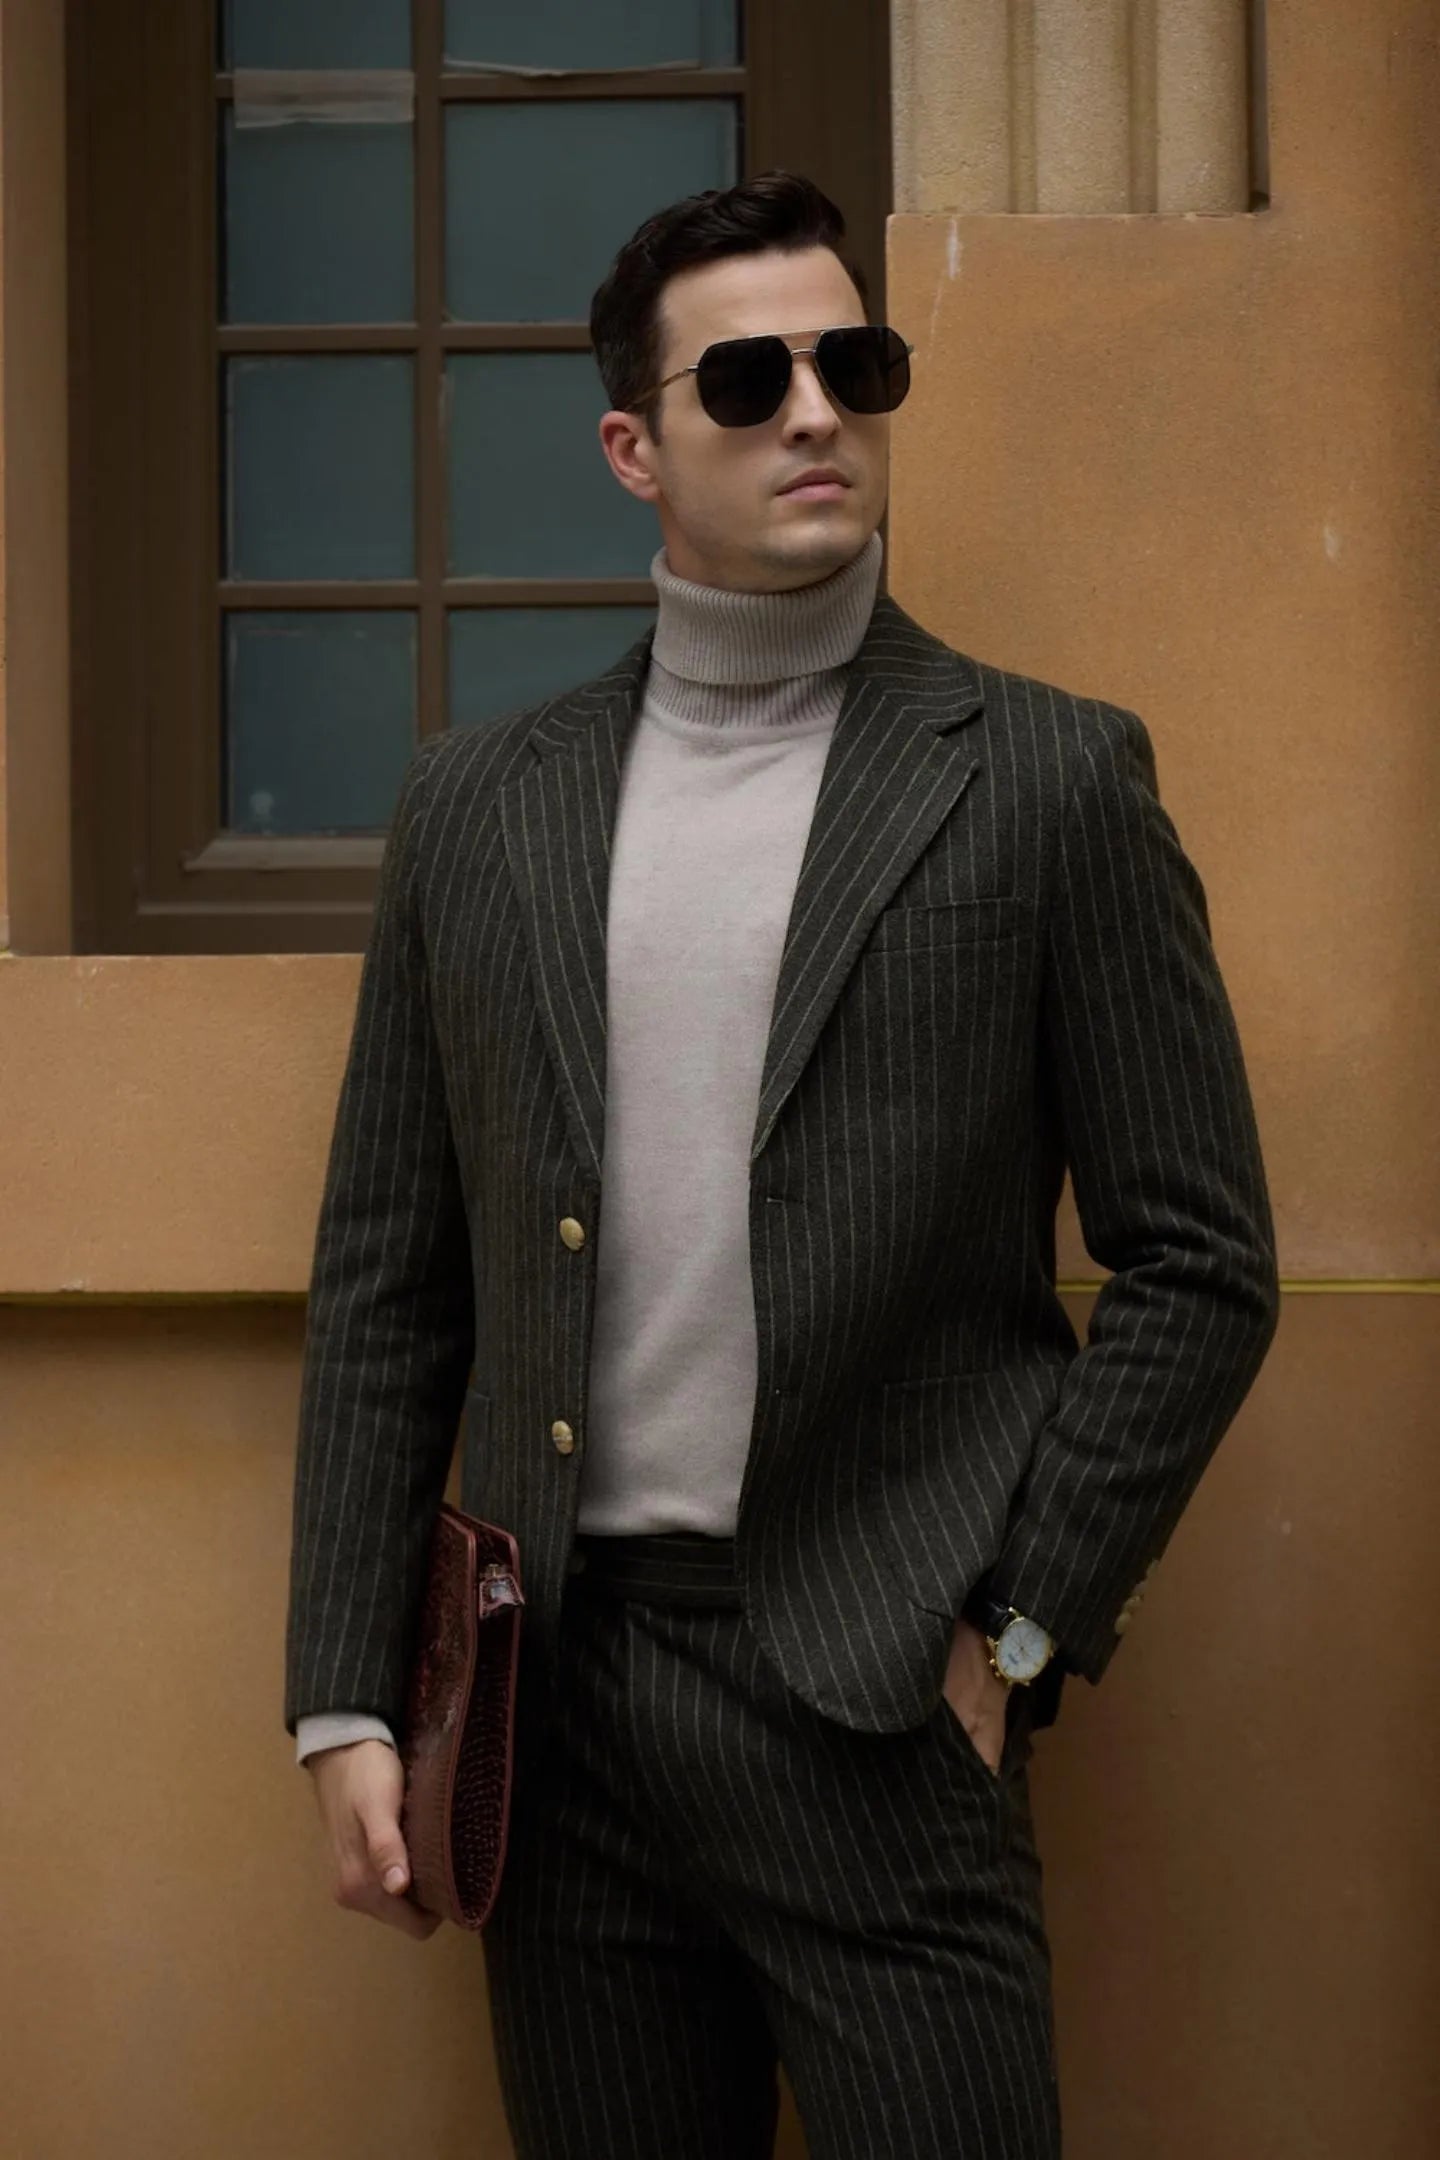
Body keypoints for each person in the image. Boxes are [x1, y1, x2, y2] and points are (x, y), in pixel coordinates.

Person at [284, 170, 1279, 2158]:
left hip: (885, 1701)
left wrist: (1014, 1634)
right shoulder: (482, 812)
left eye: (856, 361)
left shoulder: (1047, 777)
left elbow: (1201, 1260)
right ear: (635, 447)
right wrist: (341, 1701)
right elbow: (395, 1280)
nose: (816, 409)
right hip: (553, 1712)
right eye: (751, 376)